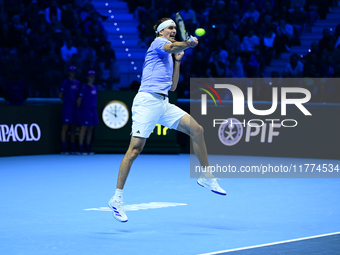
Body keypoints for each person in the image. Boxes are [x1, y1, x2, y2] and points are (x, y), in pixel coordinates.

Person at [108, 17, 226, 223]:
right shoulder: (157, 43)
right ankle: (116, 199)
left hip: (163, 103)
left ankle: (206, 176)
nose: (173, 30)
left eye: (174, 28)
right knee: (135, 150)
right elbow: (172, 46)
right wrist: (188, 44)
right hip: (147, 101)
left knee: (197, 130)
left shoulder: (169, 54)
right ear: (161, 31)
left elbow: (172, 87)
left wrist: (178, 62)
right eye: (170, 28)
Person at [59, 66, 81, 154]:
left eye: (74, 71)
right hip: (67, 106)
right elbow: (60, 95)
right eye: (71, 71)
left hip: (75, 107)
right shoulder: (65, 82)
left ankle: (72, 147)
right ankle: (64, 146)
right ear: (68, 72)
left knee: (73, 127)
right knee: (65, 126)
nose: (73, 73)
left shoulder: (78, 83)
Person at [77, 70, 98, 155]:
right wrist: (80, 110)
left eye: (93, 76)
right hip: (86, 110)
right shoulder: (84, 87)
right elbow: (79, 100)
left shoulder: (95, 87)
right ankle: (80, 147)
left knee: (90, 129)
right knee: (84, 128)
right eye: (90, 76)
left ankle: (87, 146)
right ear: (87, 77)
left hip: (93, 109)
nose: (92, 78)